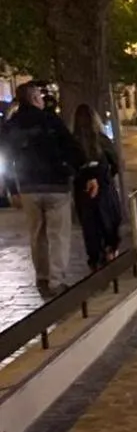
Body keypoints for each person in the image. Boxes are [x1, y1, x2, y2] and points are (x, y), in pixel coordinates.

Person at [0, 80, 89, 296]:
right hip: (56, 185)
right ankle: (56, 281)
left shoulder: (12, 125)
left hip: (29, 187)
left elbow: (7, 157)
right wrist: (74, 170)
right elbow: (72, 147)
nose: (42, 99)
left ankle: (41, 277)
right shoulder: (50, 120)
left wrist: (12, 189)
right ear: (33, 98)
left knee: (37, 234)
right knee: (58, 235)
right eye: (39, 96)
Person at [71, 105, 122, 270]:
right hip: (105, 189)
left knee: (90, 227)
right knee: (109, 221)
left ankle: (95, 259)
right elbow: (115, 162)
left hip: (83, 193)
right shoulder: (102, 140)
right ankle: (110, 250)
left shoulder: (73, 142)